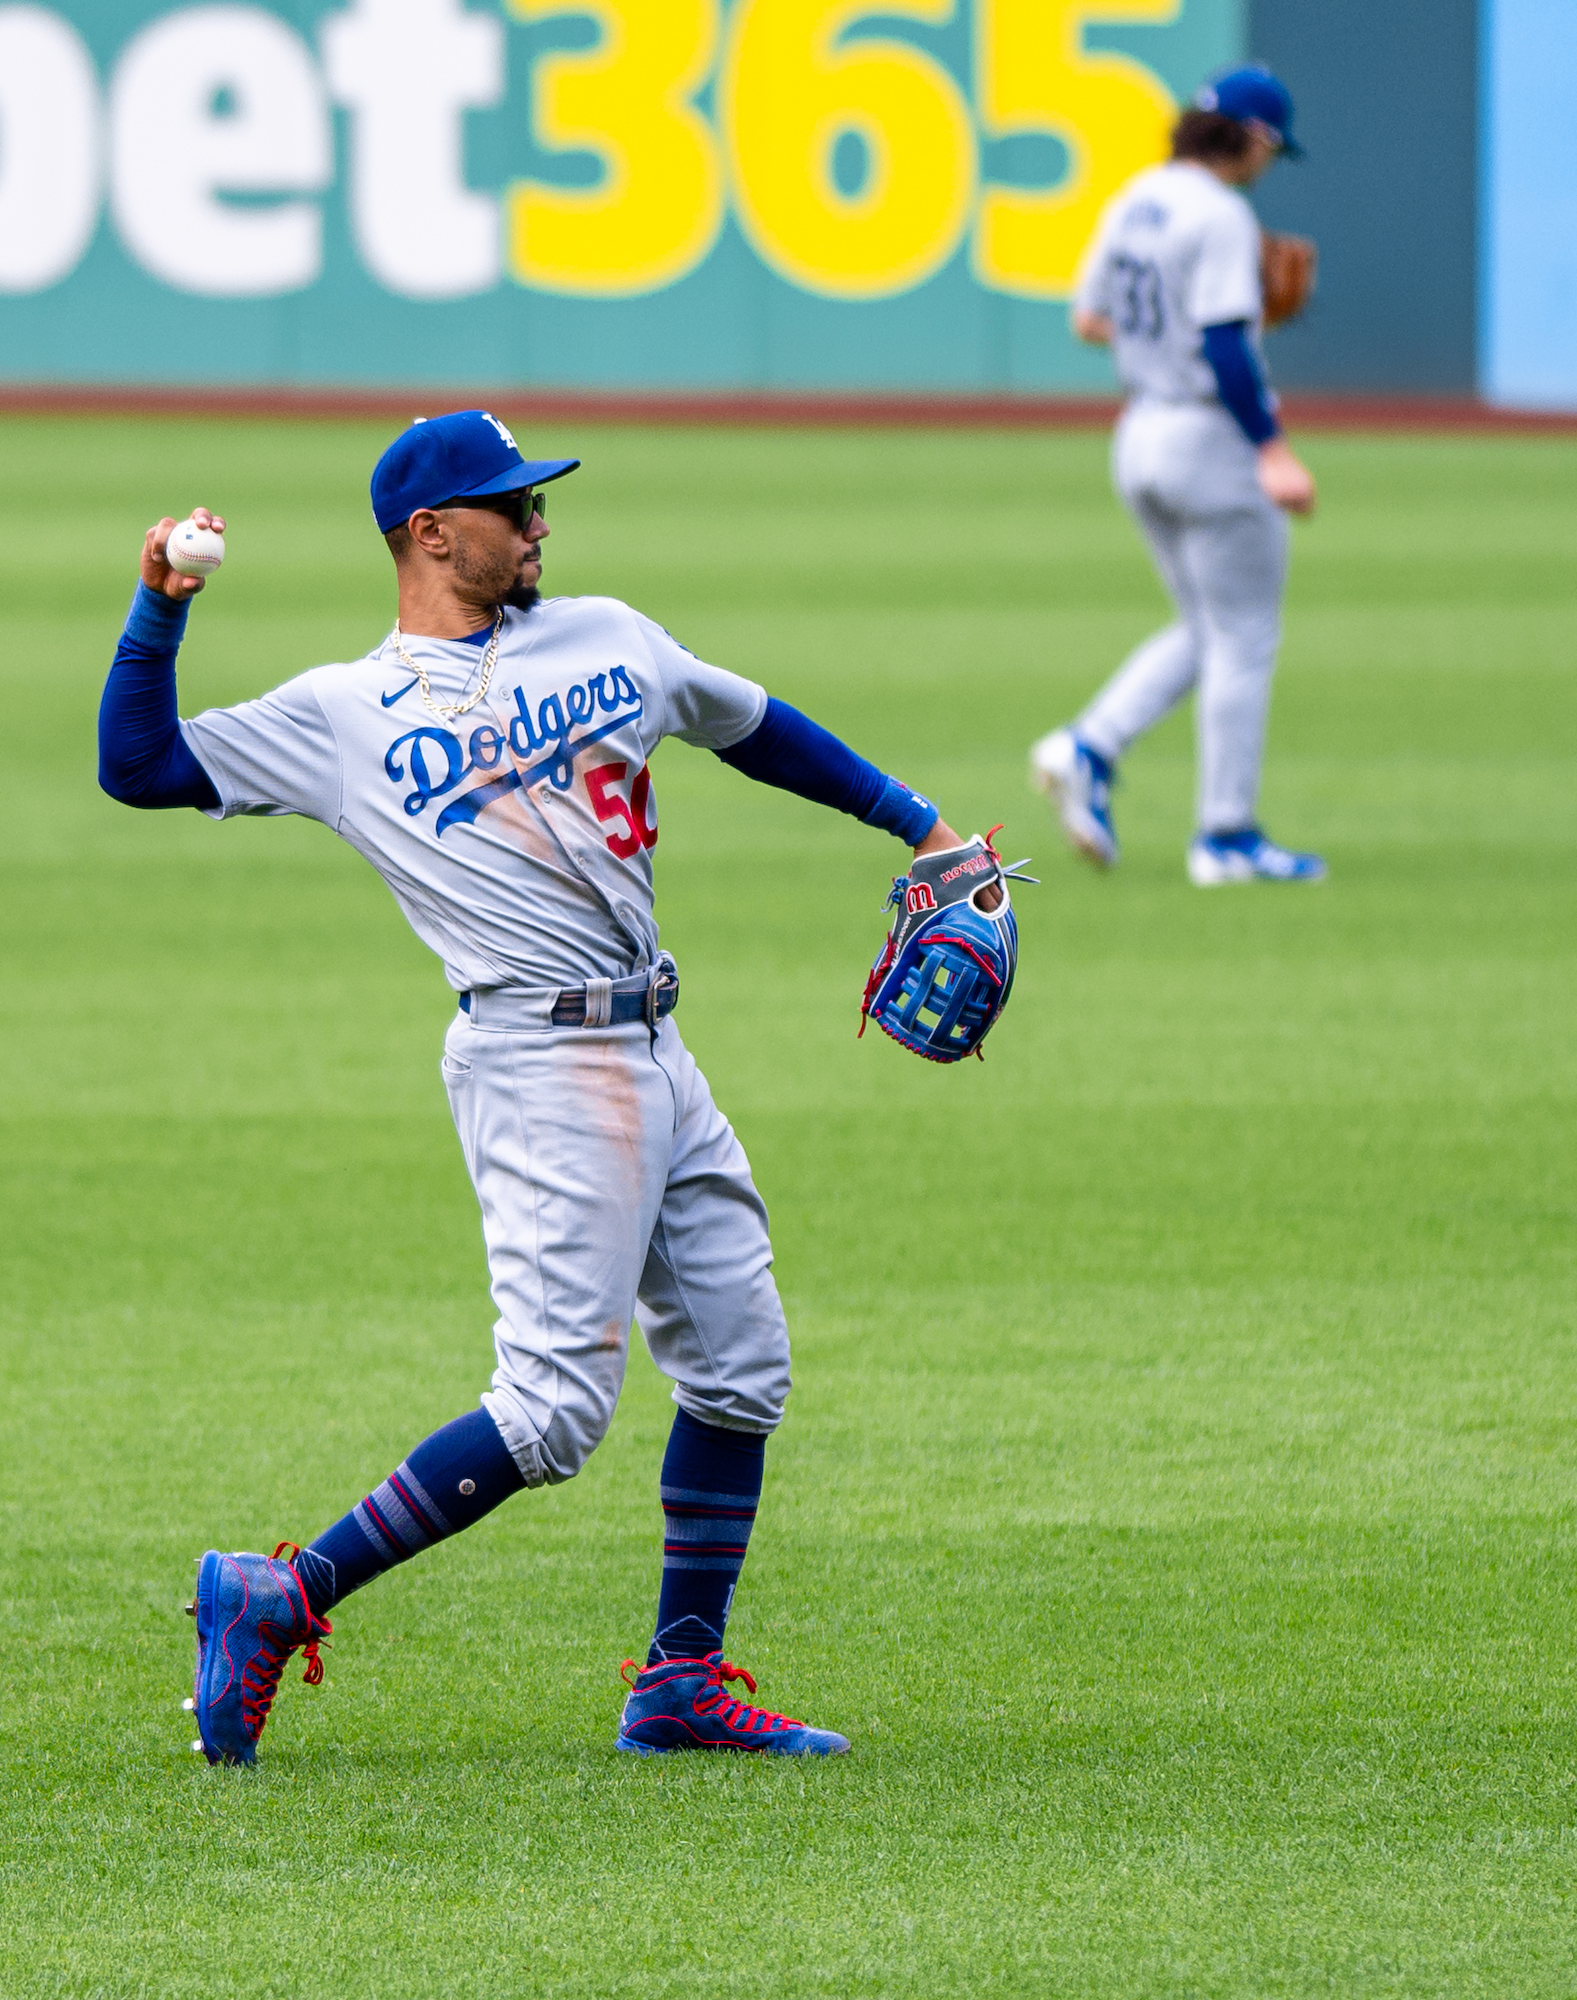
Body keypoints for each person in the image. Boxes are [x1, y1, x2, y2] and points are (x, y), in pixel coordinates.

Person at [96, 411, 996, 1762]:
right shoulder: (344, 713)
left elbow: (752, 726)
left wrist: (917, 824)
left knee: (743, 1371)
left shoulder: (609, 635)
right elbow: (141, 767)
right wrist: (160, 605)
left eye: (537, 503)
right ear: (429, 534)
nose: (539, 526)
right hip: (536, 1062)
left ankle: (679, 1685)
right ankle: (277, 1596)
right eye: (513, 507)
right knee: (554, 1411)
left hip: (657, 1052)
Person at [1031, 64, 1328, 886]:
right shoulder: (1223, 213)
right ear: (1255, 137)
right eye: (1273, 147)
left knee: (1205, 627)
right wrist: (1272, 448)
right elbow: (1228, 346)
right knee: (1244, 636)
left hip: (1138, 436)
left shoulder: (1139, 196)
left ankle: (1086, 747)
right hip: (1208, 439)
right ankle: (1226, 837)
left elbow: (1090, 319)